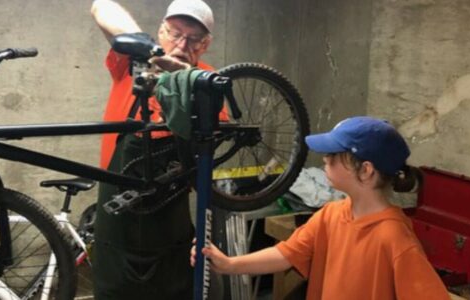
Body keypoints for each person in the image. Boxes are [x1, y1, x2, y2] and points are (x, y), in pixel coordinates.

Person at [191, 116, 451, 300]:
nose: (325, 160)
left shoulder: (395, 239)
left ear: (366, 170)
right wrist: (229, 264)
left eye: (333, 156)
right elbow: (286, 254)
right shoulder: (332, 214)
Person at [90, 0, 217, 299]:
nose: (182, 44)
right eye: (175, 33)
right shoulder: (131, 66)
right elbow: (101, 6)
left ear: (205, 44)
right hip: (116, 232)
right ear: (161, 31)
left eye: (194, 39)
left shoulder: (208, 83)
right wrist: (153, 53)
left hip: (169, 237)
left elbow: (208, 165)